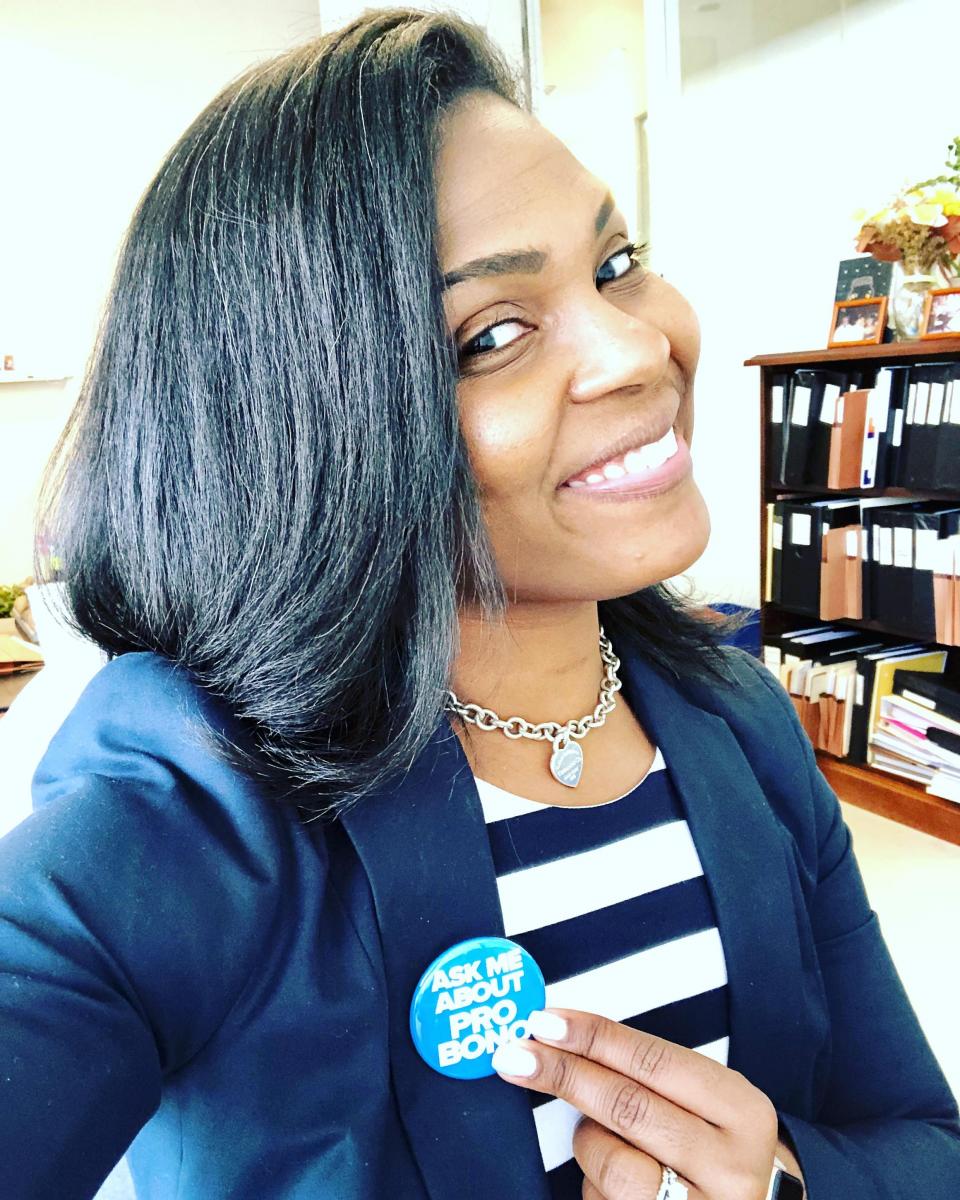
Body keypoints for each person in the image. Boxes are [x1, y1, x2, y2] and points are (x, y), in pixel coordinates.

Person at [1, 9, 958, 1200]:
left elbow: (924, 1140)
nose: (636, 349)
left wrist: (786, 1180)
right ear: (305, 425)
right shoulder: (195, 814)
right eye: (494, 333)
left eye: (615, 265)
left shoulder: (739, 719)